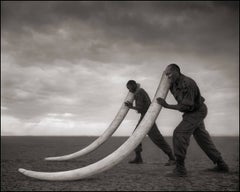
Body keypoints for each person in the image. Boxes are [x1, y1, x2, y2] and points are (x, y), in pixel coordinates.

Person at [156, 63, 229, 177]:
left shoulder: (188, 83)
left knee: (179, 133)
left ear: (177, 71)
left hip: (196, 111)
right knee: (202, 139)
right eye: (166, 74)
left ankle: (180, 169)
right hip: (191, 112)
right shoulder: (172, 83)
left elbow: (186, 106)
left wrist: (167, 105)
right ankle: (222, 165)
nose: (168, 77)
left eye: (169, 74)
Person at [125, 80, 176, 166]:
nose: (129, 90)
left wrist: (131, 107)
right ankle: (138, 158)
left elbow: (140, 108)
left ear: (133, 86)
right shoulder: (139, 92)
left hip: (148, 118)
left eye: (129, 88)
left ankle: (172, 158)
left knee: (157, 138)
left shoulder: (139, 92)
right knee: (135, 137)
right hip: (145, 117)